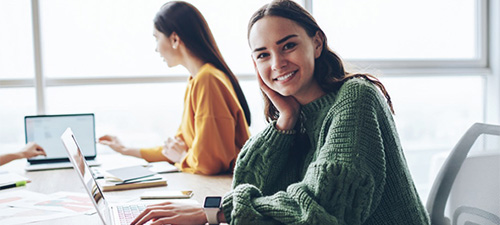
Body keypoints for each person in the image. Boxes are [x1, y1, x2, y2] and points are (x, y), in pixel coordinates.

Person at [130, 0, 430, 224]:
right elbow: (248, 184)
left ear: (317, 42)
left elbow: (322, 210)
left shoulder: (356, 98)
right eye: (263, 55)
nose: (277, 63)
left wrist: (214, 212)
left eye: (287, 46)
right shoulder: (296, 114)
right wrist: (284, 121)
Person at [98, 1, 251, 175]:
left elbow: (208, 163)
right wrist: (125, 149)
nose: (156, 49)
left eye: (157, 38)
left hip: (223, 187)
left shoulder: (208, 80)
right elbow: (178, 146)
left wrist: (182, 157)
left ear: (175, 39)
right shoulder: (197, 79)